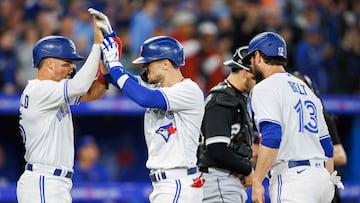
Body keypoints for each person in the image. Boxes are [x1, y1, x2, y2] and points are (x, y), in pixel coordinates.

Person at [91, 10, 205, 203]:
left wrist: (115, 64)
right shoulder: (155, 87)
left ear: (166, 64)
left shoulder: (189, 90)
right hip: (166, 184)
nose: (144, 67)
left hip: (178, 182)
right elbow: (112, 78)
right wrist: (110, 41)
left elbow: (145, 98)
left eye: (148, 63)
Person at [16, 12, 107, 203]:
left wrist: (107, 64)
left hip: (55, 183)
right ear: (49, 64)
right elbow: (81, 85)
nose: (72, 68)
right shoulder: (40, 90)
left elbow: (94, 93)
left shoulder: (53, 93)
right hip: (43, 180)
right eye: (67, 63)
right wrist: (97, 45)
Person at [241, 31, 341, 203]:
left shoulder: (265, 87)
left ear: (257, 56)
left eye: (250, 59)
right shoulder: (306, 89)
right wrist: (328, 183)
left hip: (294, 180)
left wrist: (257, 181)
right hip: (321, 179)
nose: (250, 65)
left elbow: (272, 136)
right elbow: (327, 145)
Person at [198, 45, 256, 203]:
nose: (259, 83)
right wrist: (247, 170)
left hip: (226, 181)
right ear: (245, 72)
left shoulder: (237, 98)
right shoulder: (222, 99)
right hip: (219, 181)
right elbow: (217, 150)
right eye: (257, 78)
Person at [292, 71, 347, 203]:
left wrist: (312, 156)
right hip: (296, 184)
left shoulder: (321, 116)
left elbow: (340, 156)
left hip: (322, 184)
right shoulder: (285, 119)